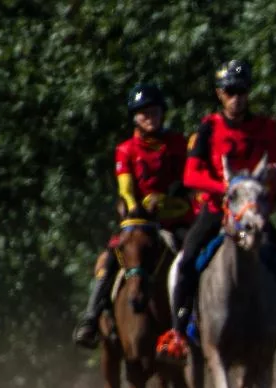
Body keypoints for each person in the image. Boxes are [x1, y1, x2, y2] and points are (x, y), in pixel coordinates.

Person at [157, 59, 276, 368]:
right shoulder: (209, 128)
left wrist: (274, 173)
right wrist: (224, 186)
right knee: (188, 258)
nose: (237, 98)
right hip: (216, 209)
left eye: (242, 91)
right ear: (220, 94)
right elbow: (191, 174)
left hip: (252, 212)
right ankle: (179, 332)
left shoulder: (264, 127)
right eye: (231, 92)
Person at [73, 82, 191, 348]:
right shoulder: (126, 150)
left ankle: (195, 320)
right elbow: (125, 189)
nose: (150, 117)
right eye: (143, 113)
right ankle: (92, 318)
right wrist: (137, 207)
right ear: (135, 118)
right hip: (137, 222)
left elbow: (187, 186)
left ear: (163, 113)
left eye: (154, 112)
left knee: (193, 255)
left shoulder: (177, 144)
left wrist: (167, 202)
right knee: (109, 260)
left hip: (174, 219)